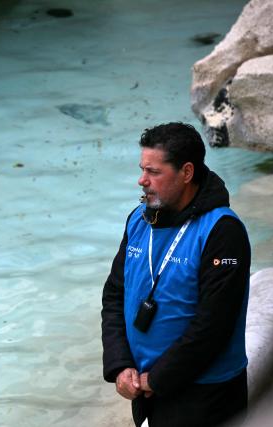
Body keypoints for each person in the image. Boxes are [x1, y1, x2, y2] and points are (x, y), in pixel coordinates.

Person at [101, 122, 250, 427]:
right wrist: (120, 366)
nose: (142, 181)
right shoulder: (139, 221)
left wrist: (156, 379)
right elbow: (114, 295)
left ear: (186, 172)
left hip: (207, 396)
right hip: (147, 389)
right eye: (142, 169)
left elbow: (213, 325)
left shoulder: (222, 231)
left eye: (154, 172)